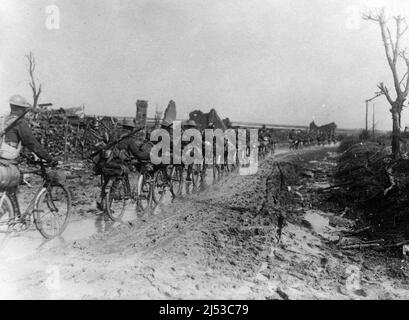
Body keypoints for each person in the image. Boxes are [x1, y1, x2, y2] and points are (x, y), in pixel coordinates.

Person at [2, 94, 56, 220]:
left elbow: (11, 142)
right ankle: (14, 219)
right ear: (21, 109)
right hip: (8, 165)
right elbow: (32, 143)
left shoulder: (3, 120)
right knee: (11, 188)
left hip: (2, 162)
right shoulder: (20, 123)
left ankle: (15, 218)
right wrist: (49, 158)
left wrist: (26, 156)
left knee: (10, 192)